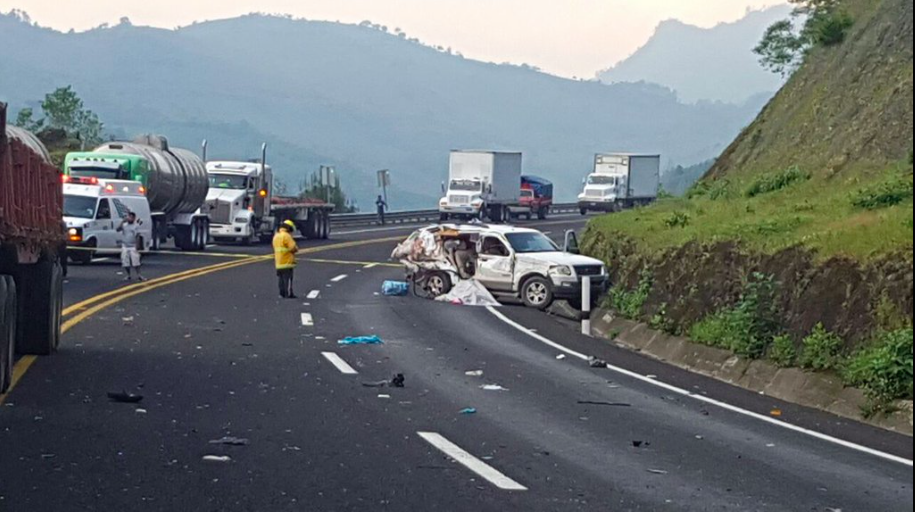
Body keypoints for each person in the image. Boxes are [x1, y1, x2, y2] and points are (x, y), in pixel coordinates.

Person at [273, 220, 299, 299]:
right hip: (287, 262)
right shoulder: (287, 236)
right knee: (287, 278)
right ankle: (288, 294)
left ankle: (281, 293)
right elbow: (293, 247)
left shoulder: (276, 236)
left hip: (278, 262)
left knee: (280, 279)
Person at [117, 212, 145, 282]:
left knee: (136, 262)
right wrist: (122, 221)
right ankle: (128, 275)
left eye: (131, 217)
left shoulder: (136, 226)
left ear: (134, 218)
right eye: (128, 217)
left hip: (133, 246)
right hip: (125, 245)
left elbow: (137, 236)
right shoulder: (124, 225)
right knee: (125, 261)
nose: (129, 218)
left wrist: (137, 246)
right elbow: (117, 229)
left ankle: (139, 275)